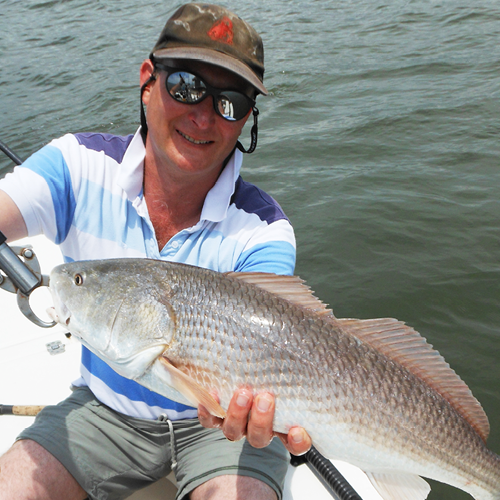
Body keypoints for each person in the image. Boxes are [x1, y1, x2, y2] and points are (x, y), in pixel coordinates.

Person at [0, 3, 311, 500]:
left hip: (221, 430)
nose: (203, 116)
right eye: (186, 86)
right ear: (148, 81)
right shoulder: (76, 165)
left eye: (230, 102)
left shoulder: (264, 230)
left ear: (246, 120)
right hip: (103, 412)